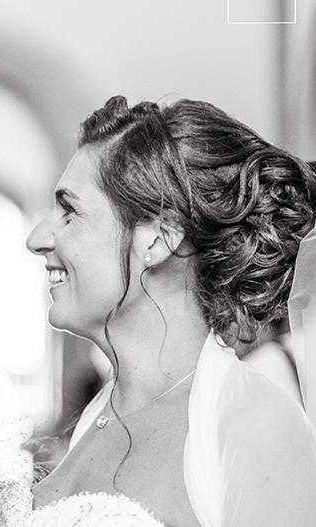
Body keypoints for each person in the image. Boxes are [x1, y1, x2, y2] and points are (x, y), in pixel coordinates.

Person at [25, 96, 316, 526]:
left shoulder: (251, 422)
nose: (36, 238)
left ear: (157, 240)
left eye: (70, 211)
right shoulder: (100, 416)